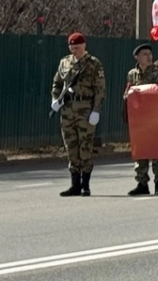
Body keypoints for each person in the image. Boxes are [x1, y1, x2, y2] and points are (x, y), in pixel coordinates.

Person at [50, 32, 106, 197]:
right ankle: (74, 184)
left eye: (78, 47)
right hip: (68, 110)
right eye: (73, 48)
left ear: (84, 46)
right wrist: (55, 99)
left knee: (85, 146)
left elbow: (100, 90)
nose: (75, 51)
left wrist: (96, 110)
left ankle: (85, 184)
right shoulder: (65, 62)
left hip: (86, 109)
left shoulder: (94, 64)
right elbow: (58, 82)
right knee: (71, 146)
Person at [123, 43, 158, 196]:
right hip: (139, 120)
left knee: (157, 152)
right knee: (140, 151)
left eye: (150, 54)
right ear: (137, 57)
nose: (149, 57)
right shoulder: (132, 74)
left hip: (155, 118)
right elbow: (127, 93)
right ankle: (142, 182)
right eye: (145, 54)